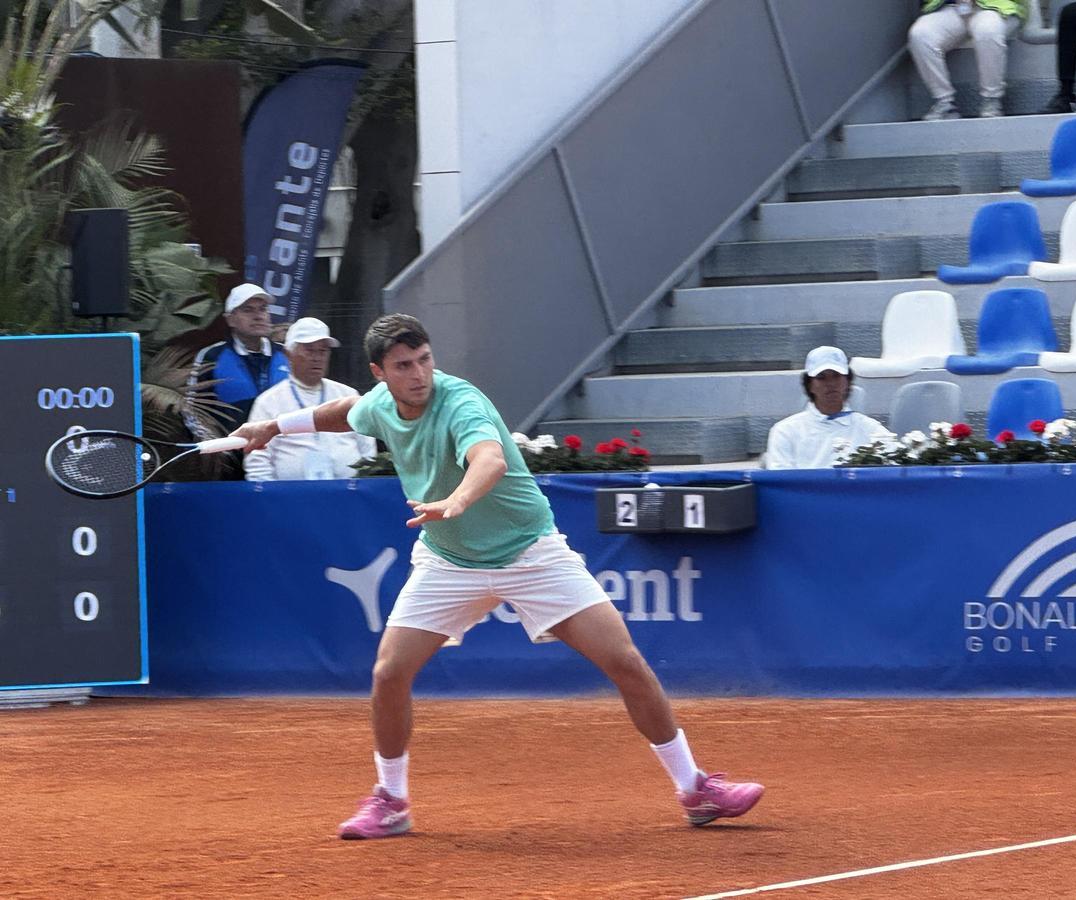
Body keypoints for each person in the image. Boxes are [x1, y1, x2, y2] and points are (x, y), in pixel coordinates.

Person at [230, 313, 764, 839]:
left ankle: (695, 788)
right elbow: (345, 413)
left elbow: (489, 459)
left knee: (624, 661)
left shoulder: (460, 401)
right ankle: (391, 801)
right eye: (403, 365)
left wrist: (457, 499)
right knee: (389, 673)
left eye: (424, 360)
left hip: (529, 553)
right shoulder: (377, 404)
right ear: (379, 372)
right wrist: (272, 427)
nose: (419, 374)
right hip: (448, 561)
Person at [243, 317, 377, 481]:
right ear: (288, 354)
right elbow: (257, 463)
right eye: (309, 350)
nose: (317, 358)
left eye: (322, 351)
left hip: (349, 495)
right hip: (291, 500)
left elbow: (369, 453)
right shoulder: (268, 402)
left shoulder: (347, 395)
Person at [185, 283, 290, 439]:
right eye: (248, 310)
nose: (258, 316)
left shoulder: (288, 354)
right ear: (230, 319)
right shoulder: (212, 356)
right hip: (232, 454)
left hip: (284, 451)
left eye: (263, 309)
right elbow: (192, 409)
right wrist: (217, 447)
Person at [761, 346, 892, 470]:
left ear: (847, 382)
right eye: (821, 377)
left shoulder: (870, 429)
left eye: (837, 376)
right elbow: (781, 479)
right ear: (810, 385)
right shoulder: (785, 431)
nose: (830, 384)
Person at [909, 0, 1027, 121]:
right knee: (921, 35)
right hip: (951, 8)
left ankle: (992, 99)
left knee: (987, 30)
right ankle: (945, 103)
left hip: (995, 7)